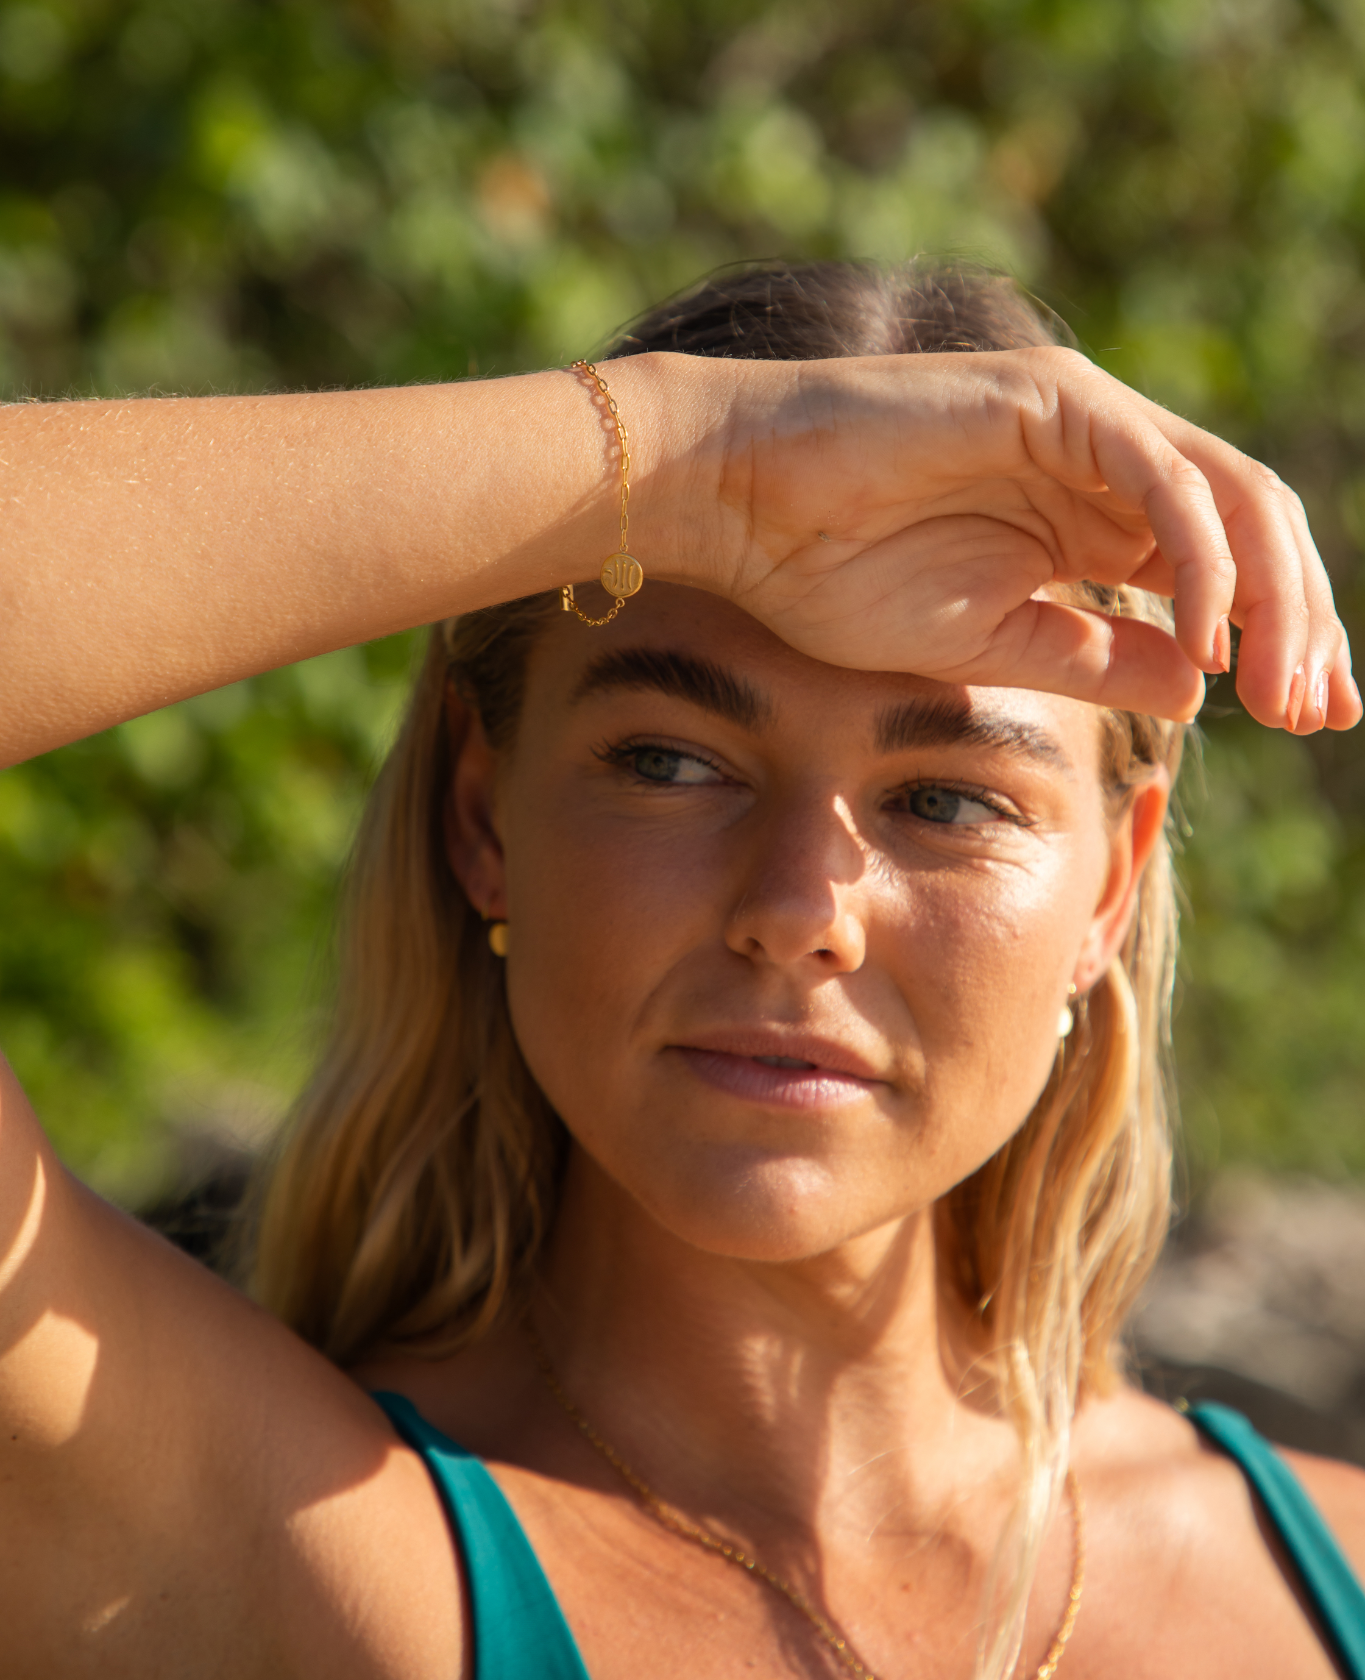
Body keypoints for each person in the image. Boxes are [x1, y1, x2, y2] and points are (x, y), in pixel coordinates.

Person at [2, 258, 1363, 1680]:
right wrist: (693, 461)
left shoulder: (1334, 1576)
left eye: (947, 800)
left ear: (1110, 888)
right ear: (484, 817)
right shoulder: (262, 1555)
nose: (799, 912)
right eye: (668, 762)